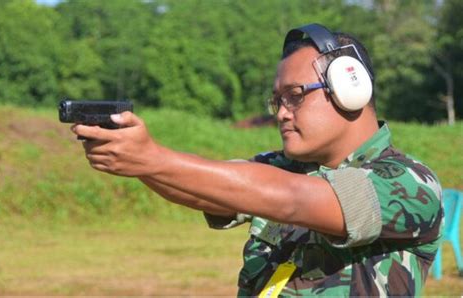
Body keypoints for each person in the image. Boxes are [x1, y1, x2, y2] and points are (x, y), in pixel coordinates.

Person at [71, 23, 443, 296]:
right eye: (277, 100)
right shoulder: (285, 168)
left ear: (351, 88)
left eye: (295, 95)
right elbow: (211, 191)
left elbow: (297, 199)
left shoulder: (409, 182)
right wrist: (139, 160)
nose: (281, 112)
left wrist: (152, 158)